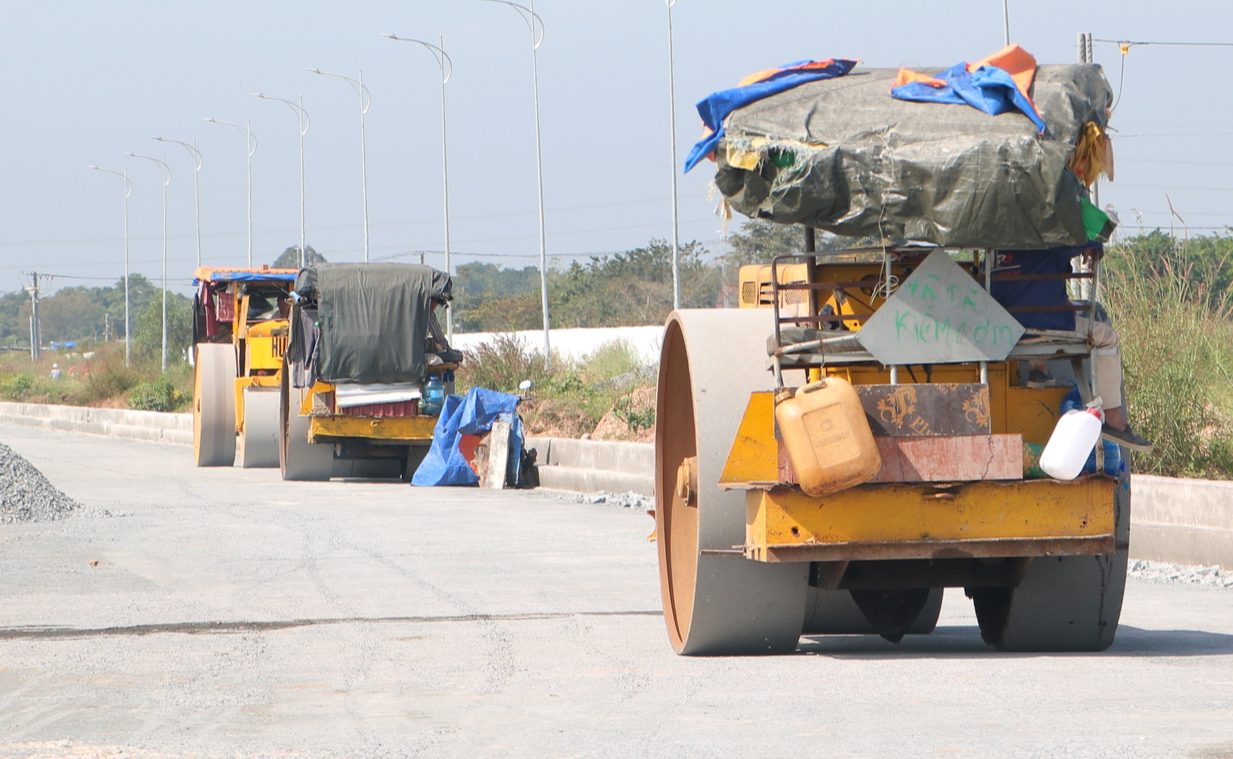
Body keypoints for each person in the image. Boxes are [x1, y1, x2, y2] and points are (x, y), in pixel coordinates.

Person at [988, 242, 1153, 453]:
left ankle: (1039, 369)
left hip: (1001, 330)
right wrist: (1094, 246)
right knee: (1108, 338)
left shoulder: (996, 243)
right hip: (1044, 327)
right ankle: (1113, 419)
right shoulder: (1050, 238)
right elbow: (1081, 238)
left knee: (1042, 310)